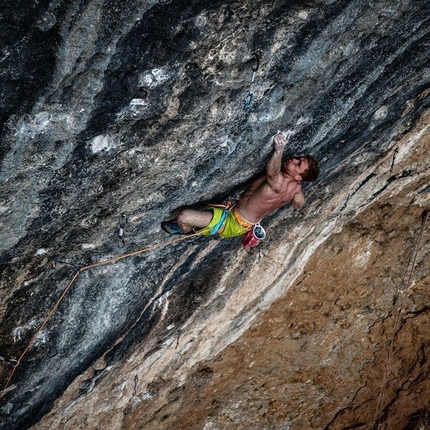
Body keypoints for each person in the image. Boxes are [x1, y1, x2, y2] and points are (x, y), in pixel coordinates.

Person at [161, 132, 319, 238]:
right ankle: (196, 224)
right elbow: (299, 204)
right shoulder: (296, 188)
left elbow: (272, 173)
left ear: (298, 175)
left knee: (183, 216)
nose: (294, 159)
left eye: (298, 164)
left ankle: (184, 230)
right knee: (189, 216)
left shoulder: (279, 183)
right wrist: (297, 185)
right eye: (299, 158)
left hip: (232, 223)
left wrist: (279, 150)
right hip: (239, 219)